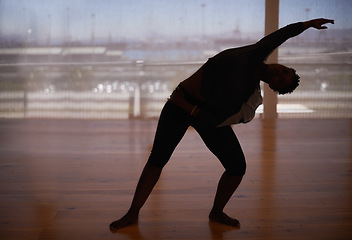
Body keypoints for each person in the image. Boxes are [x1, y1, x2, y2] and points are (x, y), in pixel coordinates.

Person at [110, 18, 334, 231]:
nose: (279, 73)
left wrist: (190, 109)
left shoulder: (246, 93)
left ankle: (217, 212)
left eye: (280, 80)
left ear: (273, 87)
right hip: (179, 106)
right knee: (157, 160)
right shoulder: (256, 53)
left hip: (188, 108)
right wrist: (307, 24)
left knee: (237, 167)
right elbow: (281, 35)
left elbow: (212, 120)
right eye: (284, 71)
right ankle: (132, 213)